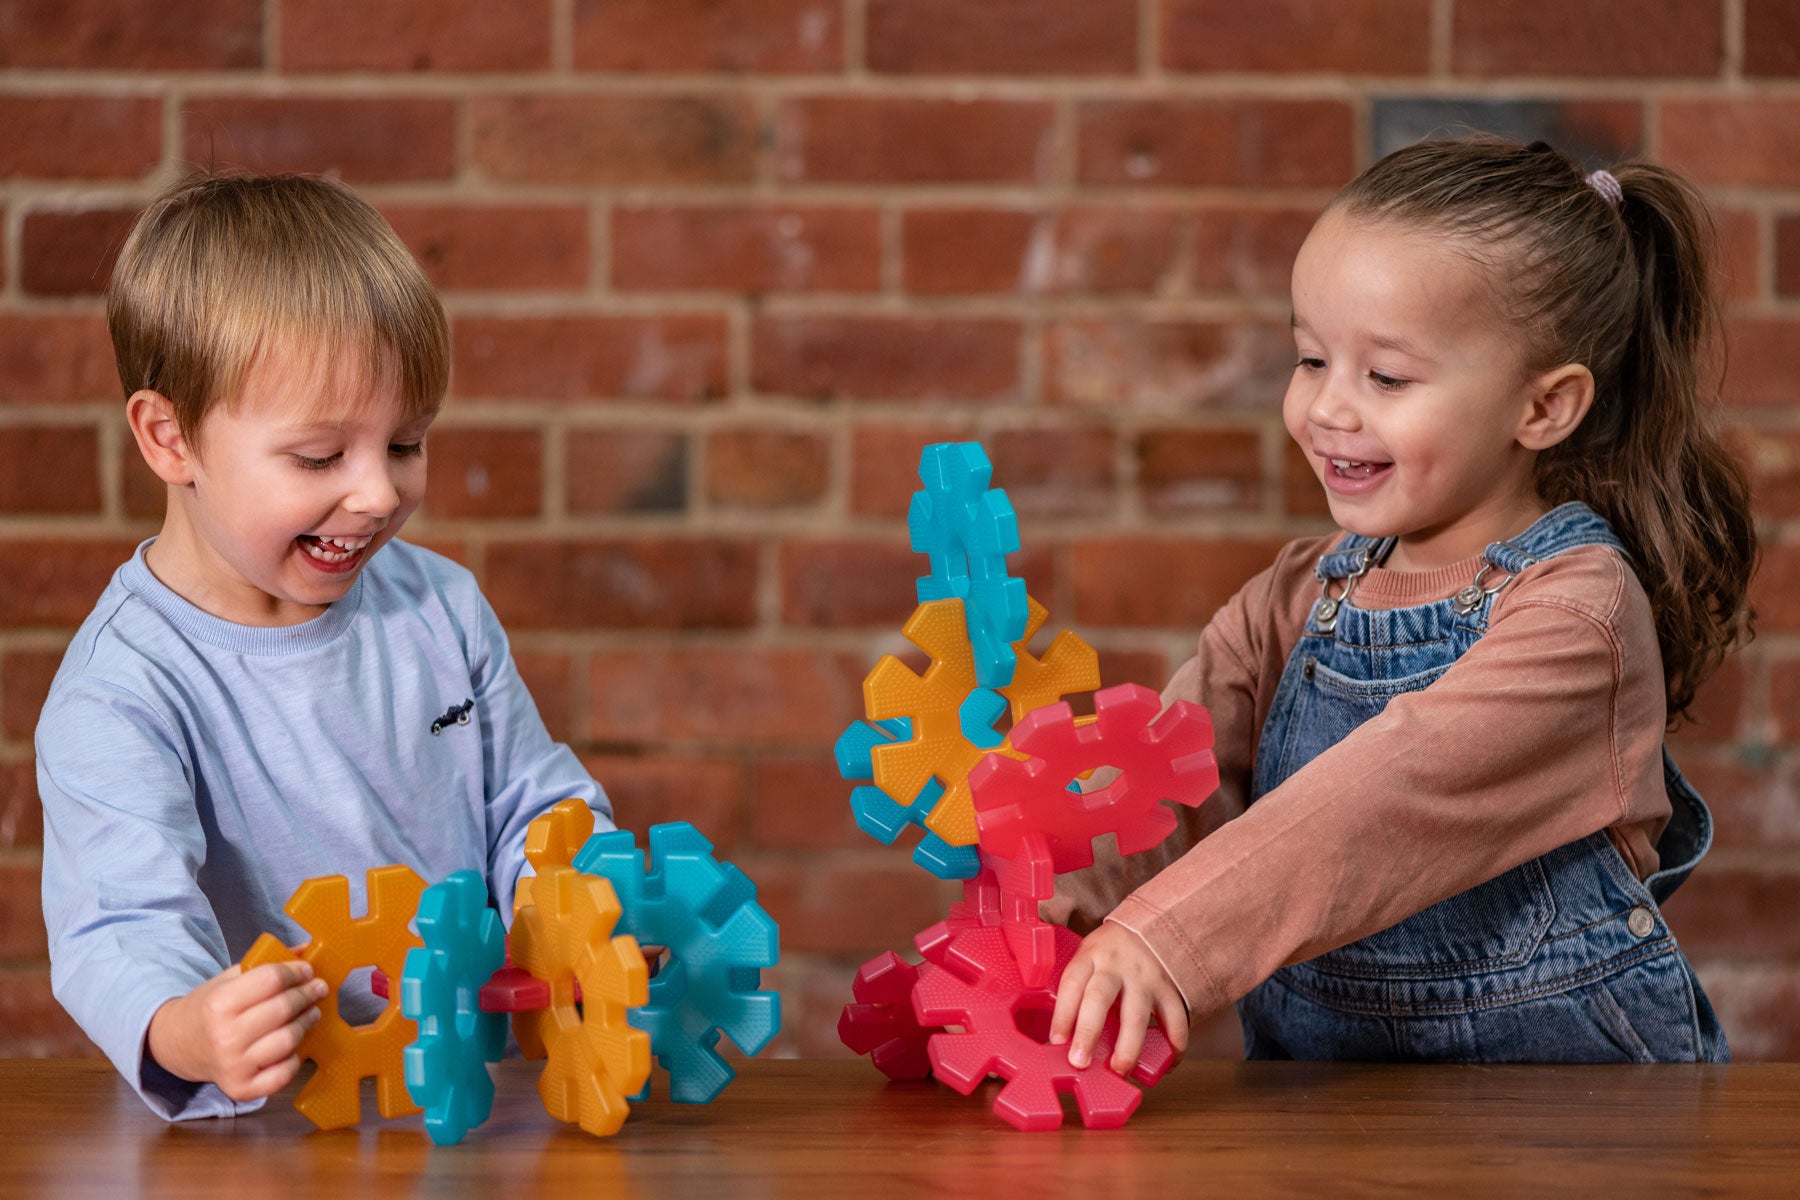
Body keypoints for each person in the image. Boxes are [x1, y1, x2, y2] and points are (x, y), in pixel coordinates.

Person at [1046, 137, 1757, 1072]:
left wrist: (1163, 939)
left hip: (1567, 1114)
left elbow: (1387, 798)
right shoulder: (1293, 600)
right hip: (1331, 1104)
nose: (1328, 409)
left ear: (1544, 408)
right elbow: (1163, 783)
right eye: (1310, 359)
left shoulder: (1578, 616)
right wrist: (1051, 925)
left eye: (1385, 377)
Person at [36, 171, 614, 1120]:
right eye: (319, 457)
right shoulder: (123, 692)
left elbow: (531, 806)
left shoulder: (442, 607)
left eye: (406, 444)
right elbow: (120, 925)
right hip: (285, 1128)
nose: (378, 494)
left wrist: (595, 901)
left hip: (469, 1110)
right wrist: (189, 1030)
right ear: (170, 438)